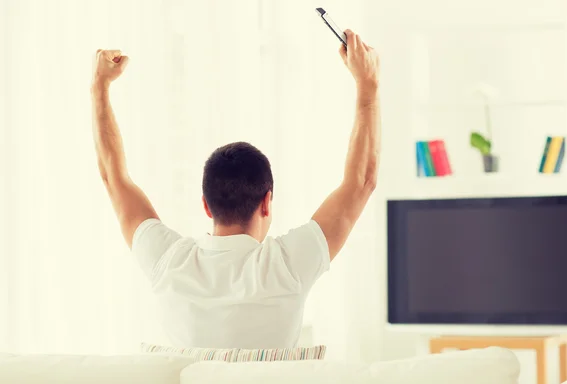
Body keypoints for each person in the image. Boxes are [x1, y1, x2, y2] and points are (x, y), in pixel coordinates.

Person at [90, 29, 381, 349]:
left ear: (205, 205)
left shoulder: (168, 261)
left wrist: (99, 86)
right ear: (266, 202)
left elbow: (113, 177)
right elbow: (361, 183)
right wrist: (367, 85)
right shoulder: (287, 265)